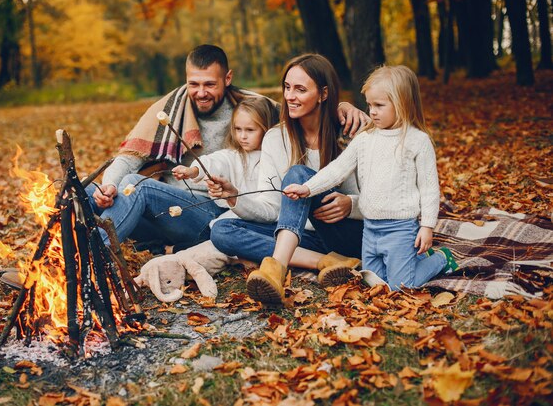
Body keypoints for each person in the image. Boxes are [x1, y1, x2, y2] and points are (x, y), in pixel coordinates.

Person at [91, 45, 367, 252]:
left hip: (211, 208)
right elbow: (128, 158)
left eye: (210, 84)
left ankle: (95, 255)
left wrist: (341, 109)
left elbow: (301, 111)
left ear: (227, 78)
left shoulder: (251, 108)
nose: (201, 92)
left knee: (136, 185)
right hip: (170, 209)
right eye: (194, 84)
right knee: (88, 190)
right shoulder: (168, 109)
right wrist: (109, 186)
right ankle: (73, 252)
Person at [208, 53, 368, 305]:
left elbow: (382, 198)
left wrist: (351, 204)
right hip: (303, 238)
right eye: (287, 87)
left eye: (300, 89)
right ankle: (327, 262)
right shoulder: (275, 138)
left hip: (347, 231)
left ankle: (276, 269)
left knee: (297, 174)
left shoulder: (350, 132)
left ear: (323, 94)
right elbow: (271, 208)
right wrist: (234, 196)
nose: (290, 96)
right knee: (222, 230)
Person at [284, 65, 458, 291]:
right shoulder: (365, 138)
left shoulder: (417, 141)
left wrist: (427, 226)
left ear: (402, 104)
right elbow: (337, 169)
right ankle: (413, 263)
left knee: (401, 286)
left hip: (400, 229)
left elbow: (429, 189)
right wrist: (307, 189)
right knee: (372, 283)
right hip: (371, 229)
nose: (372, 111)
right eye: (369, 105)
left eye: (379, 105)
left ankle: (441, 259)